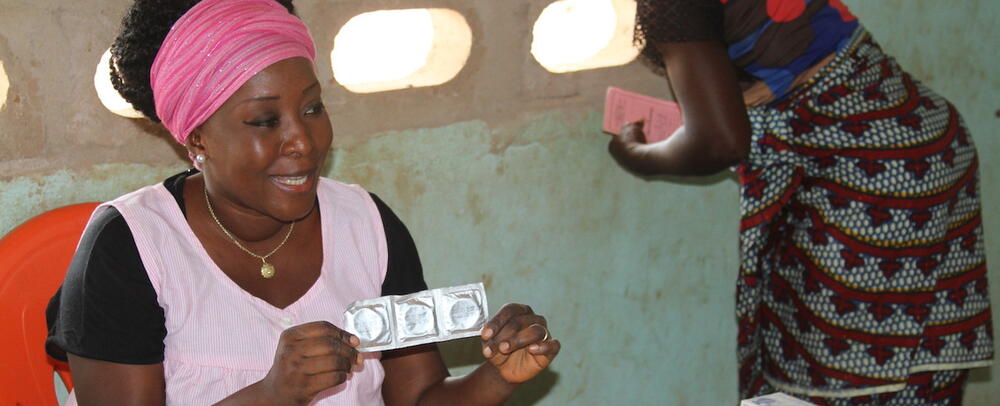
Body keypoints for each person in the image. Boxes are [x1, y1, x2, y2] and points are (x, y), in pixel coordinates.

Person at [45, 0, 560, 404]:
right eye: (265, 121)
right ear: (197, 139)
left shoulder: (367, 226)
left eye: (312, 107)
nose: (304, 142)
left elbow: (417, 397)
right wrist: (272, 396)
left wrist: (495, 379)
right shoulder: (132, 248)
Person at [608, 1, 992, 405]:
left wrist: (638, 154)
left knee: (836, 376)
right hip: (925, 138)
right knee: (923, 362)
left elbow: (718, 142)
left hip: (867, 181)